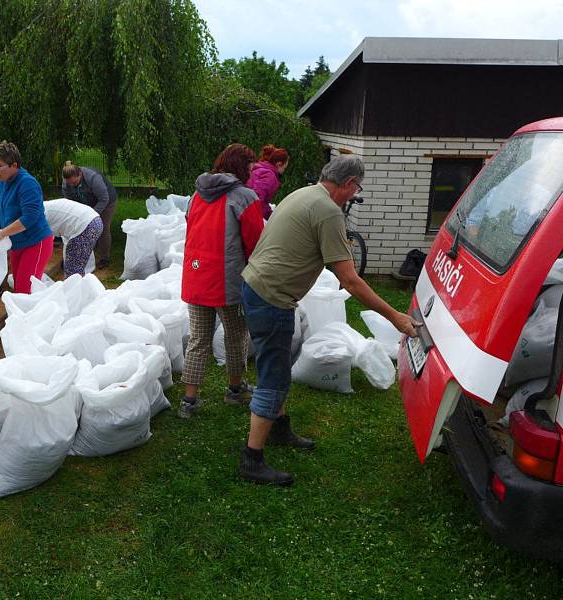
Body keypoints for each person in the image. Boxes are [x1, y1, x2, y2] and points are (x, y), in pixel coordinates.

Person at [239, 155, 420, 486]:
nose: (355, 194)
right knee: (274, 377)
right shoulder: (328, 212)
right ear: (349, 184)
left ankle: (278, 429)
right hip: (271, 298)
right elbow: (350, 281)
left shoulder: (304, 193)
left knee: (280, 361)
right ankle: (251, 459)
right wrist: (395, 316)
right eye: (357, 188)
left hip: (256, 286)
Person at [178, 143, 265, 419]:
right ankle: (235, 389)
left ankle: (189, 401)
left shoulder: (196, 194)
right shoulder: (245, 197)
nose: (252, 173)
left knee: (199, 338)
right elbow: (255, 242)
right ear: (241, 168)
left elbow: (190, 228)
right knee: (236, 333)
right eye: (250, 168)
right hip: (229, 282)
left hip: (195, 277)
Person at [0, 142, 53, 294]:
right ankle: (26, 315)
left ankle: (34, 316)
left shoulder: (27, 183)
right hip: (17, 243)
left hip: (36, 242)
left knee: (25, 289)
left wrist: (2, 233)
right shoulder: (3, 182)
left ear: (14, 165)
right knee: (18, 286)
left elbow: (30, 217)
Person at [61, 161, 117, 269]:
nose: (72, 185)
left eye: (75, 182)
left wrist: (90, 216)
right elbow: (70, 203)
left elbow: (104, 198)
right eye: (70, 183)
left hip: (106, 202)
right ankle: (74, 257)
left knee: (102, 228)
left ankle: (104, 258)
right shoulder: (66, 183)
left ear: (80, 174)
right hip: (86, 202)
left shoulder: (93, 178)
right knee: (81, 227)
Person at [43, 198, 103, 278]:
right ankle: (82, 284)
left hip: (85, 224)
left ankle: (75, 288)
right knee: (75, 265)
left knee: (73, 271)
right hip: (93, 220)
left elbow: (42, 241)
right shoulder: (44, 207)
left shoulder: (38, 213)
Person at [246, 144, 290, 220]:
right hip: (249, 213)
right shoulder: (270, 176)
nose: (283, 171)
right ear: (279, 164)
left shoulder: (258, 168)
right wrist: (270, 215)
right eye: (284, 168)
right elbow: (258, 198)